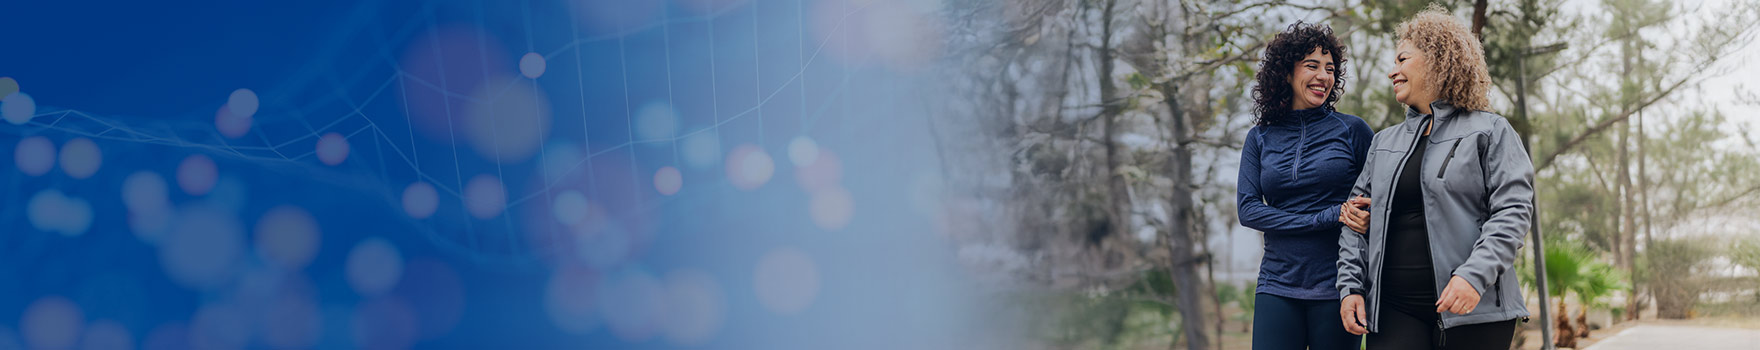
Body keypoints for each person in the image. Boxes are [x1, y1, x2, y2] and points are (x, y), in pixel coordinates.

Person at [1335, 5, 1534, 349]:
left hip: (1474, 307)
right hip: (1394, 310)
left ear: (1437, 60)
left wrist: (1473, 277)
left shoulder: (1490, 131)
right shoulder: (1383, 143)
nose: (1392, 71)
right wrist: (1350, 286)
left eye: (1402, 59)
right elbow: (1355, 220)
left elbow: (1512, 212)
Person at [1236, 21, 1373, 350]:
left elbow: (1378, 201)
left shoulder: (1353, 131)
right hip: (1276, 283)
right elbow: (1248, 210)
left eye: (1330, 69)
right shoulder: (1260, 137)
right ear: (1286, 72)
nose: (1324, 76)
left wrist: (1366, 219)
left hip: (1338, 286)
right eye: (1312, 65)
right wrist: (1325, 216)